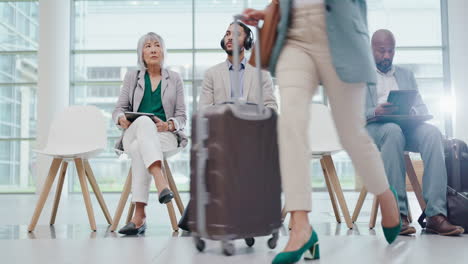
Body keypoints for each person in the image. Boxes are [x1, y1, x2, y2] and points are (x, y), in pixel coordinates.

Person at [242, 1, 401, 263]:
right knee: (290, 125)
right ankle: (301, 227)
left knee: (350, 133)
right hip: (293, 37)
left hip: (340, 32)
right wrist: (273, 12)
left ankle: (385, 194)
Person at [366, 29, 464, 236]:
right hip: (375, 127)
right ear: (371, 49)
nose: (386, 56)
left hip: (407, 126)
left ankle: (436, 215)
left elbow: (421, 107)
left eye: (390, 51)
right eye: (381, 51)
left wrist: (412, 111)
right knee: (392, 132)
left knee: (432, 133)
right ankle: (398, 215)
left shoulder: (405, 74)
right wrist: (376, 110)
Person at [112, 32, 187, 235]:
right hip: (133, 132)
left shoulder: (175, 79)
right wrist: (121, 118)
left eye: (157, 45)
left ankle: (139, 216)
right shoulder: (131, 77)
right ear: (141, 53)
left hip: (164, 137)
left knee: (139, 150)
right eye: (148, 46)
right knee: (144, 121)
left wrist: (169, 124)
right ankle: (159, 179)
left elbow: (182, 116)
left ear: (163, 51)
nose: (153, 49)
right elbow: (118, 108)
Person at [199, 21, 278, 110]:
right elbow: (204, 110)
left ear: (247, 41)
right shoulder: (211, 74)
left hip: (252, 123)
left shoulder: (262, 74)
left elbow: (271, 107)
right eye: (227, 34)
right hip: (222, 123)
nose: (230, 38)